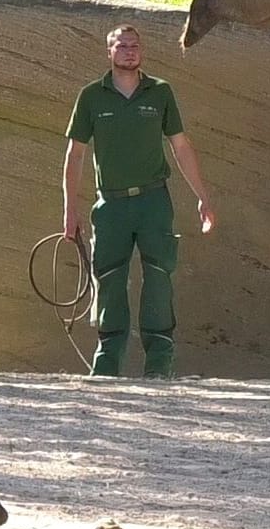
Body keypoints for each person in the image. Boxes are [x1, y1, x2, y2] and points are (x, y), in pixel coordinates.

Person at [63, 25, 216, 378]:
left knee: (158, 277)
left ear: (141, 52)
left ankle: (159, 366)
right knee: (110, 279)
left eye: (135, 46)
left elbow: (180, 146)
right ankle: (106, 366)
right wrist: (70, 207)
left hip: (153, 202)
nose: (129, 51)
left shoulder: (160, 92)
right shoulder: (91, 97)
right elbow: (75, 155)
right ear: (109, 52)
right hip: (111, 205)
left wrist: (202, 196)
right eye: (121, 46)